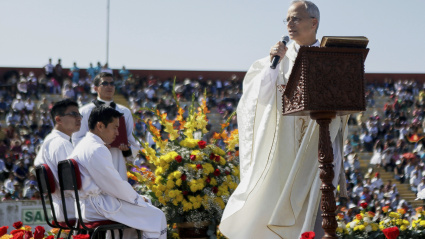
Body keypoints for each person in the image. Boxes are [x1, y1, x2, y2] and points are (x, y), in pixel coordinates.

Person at [219, 1, 349, 238]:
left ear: (314, 22)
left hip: (319, 144)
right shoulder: (278, 60)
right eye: (287, 19)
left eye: (296, 19)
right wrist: (272, 66)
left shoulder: (333, 58)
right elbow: (258, 98)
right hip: (285, 148)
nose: (290, 24)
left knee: (318, 202)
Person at [68, 106, 166, 239]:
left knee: (141, 214)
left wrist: (136, 199)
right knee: (156, 215)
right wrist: (137, 199)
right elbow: (115, 185)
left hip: (88, 205)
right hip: (98, 207)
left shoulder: (85, 144)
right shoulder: (96, 149)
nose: (118, 133)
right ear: (100, 126)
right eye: (115, 127)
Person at [72, 72, 139, 180]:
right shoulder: (85, 111)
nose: (109, 86)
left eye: (112, 84)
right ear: (95, 88)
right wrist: (98, 145)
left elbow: (132, 141)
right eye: (105, 83)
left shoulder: (124, 111)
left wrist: (126, 150)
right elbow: (77, 140)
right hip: (93, 164)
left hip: (117, 162)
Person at [33, 99, 82, 221]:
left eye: (79, 114)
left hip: (61, 208)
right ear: (58, 119)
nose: (79, 118)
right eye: (73, 114)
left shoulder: (49, 140)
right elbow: (77, 182)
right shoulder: (61, 144)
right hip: (74, 210)